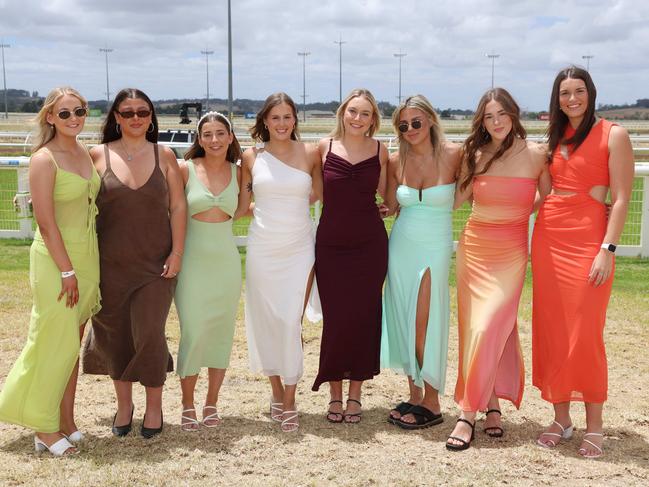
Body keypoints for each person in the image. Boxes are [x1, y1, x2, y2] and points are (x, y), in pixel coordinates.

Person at [532, 66, 633, 459]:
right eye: (563, 93)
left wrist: (607, 249)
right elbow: (543, 190)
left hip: (590, 239)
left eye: (578, 91)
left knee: (585, 333)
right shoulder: (556, 137)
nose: (571, 99)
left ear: (590, 93)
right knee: (552, 329)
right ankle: (561, 418)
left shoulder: (614, 134)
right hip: (548, 238)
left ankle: (595, 425)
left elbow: (621, 198)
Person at [446, 88, 549, 451]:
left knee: (492, 325)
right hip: (475, 250)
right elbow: (457, 200)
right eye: (489, 117)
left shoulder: (537, 154)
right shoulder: (474, 153)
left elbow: (549, 199)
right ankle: (489, 405)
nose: (496, 122)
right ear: (482, 122)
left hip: (511, 253)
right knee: (480, 328)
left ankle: (465, 413)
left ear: (514, 114)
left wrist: (521, 210)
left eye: (502, 114)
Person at [0, 87, 100, 455]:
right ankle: (44, 428)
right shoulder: (44, 159)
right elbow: (45, 223)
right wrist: (66, 271)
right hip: (58, 263)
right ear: (50, 117)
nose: (74, 118)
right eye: (65, 113)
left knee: (70, 347)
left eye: (80, 110)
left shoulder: (86, 154)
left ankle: (65, 421)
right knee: (52, 343)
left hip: (87, 260)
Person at [82, 88, 186, 439]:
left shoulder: (166, 155)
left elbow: (178, 208)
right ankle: (124, 406)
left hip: (156, 266)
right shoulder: (96, 156)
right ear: (116, 118)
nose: (136, 118)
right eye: (128, 113)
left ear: (152, 117)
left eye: (143, 112)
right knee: (115, 337)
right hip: (108, 267)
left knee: (150, 334)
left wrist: (177, 253)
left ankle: (154, 406)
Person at [239, 93, 322, 432]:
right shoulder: (250, 156)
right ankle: (276, 393)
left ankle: (290, 398)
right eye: (276, 117)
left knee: (290, 322)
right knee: (267, 323)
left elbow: (321, 194)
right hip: (263, 248)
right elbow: (243, 205)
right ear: (265, 121)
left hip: (300, 247)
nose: (282, 123)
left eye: (288, 116)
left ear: (295, 119)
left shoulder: (312, 152)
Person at [381, 95, 461, 429]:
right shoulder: (395, 161)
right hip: (401, 244)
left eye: (416, 122)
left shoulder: (456, 154)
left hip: (435, 246)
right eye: (403, 125)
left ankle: (432, 399)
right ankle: (414, 394)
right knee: (404, 317)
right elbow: (388, 203)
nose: (410, 129)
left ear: (430, 119)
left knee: (425, 320)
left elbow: (481, 188)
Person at [312, 88, 389, 424]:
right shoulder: (322, 148)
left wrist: (391, 206)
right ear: (343, 112)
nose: (358, 118)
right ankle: (334, 395)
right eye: (353, 111)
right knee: (336, 319)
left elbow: (390, 192)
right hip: (331, 245)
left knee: (364, 318)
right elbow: (311, 189)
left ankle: (355, 394)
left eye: (366, 114)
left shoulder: (381, 150)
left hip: (370, 245)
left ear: (373, 120)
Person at [174, 111, 243, 431]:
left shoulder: (240, 173)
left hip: (226, 263)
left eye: (220, 133)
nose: (214, 140)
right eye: (207, 135)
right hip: (191, 262)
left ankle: (211, 403)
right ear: (198, 139)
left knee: (220, 333)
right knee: (193, 331)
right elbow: (168, 211)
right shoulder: (183, 169)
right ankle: (187, 404)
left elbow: (244, 210)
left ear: (230, 138)